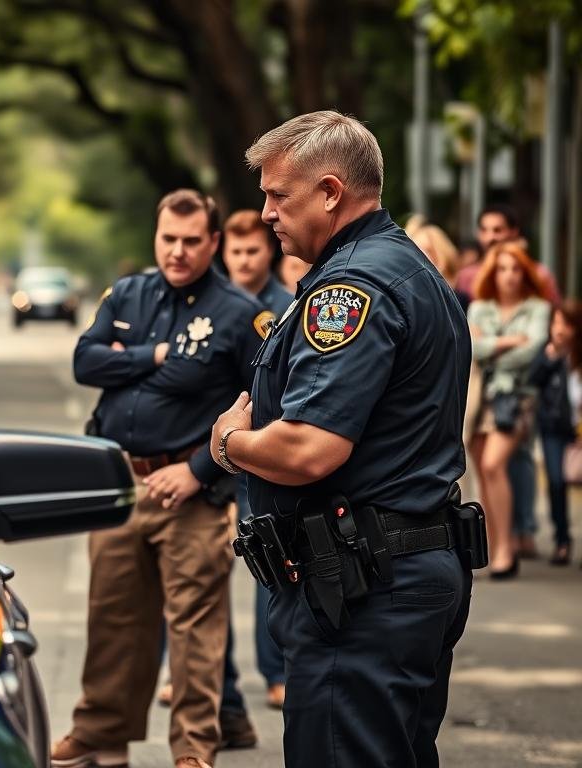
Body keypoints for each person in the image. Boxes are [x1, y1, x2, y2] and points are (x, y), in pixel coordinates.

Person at [212, 110, 475, 768]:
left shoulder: (349, 290)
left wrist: (231, 444)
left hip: (362, 589)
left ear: (331, 191)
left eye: (279, 194)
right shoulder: (406, 269)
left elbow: (310, 449)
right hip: (394, 571)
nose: (266, 212)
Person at [53, 189, 264, 768]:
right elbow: (85, 361)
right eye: (168, 238)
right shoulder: (128, 293)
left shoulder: (240, 314)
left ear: (214, 243)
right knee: (113, 619)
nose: (177, 251)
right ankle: (100, 736)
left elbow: (261, 406)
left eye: (191, 241)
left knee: (195, 633)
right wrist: (151, 356)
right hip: (120, 483)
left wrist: (197, 471)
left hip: (190, 494)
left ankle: (193, 751)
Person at [220, 208, 288, 710]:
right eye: (236, 251)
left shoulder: (286, 308)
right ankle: (211, 679)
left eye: (253, 250)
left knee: (267, 564)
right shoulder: (210, 303)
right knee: (199, 576)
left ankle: (275, 672)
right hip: (209, 450)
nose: (244, 260)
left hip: (258, 451)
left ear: (269, 252)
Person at [466, 242, 550, 577]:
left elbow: (531, 352)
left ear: (525, 272)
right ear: (492, 272)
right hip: (478, 397)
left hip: (516, 397)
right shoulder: (480, 306)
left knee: (493, 463)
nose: (509, 276)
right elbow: (471, 346)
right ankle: (497, 545)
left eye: (516, 269)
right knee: (485, 472)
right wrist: (505, 342)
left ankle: (505, 547)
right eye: (502, 269)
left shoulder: (537, 308)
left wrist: (490, 346)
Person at [529, 301, 582, 565]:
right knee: (556, 481)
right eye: (556, 322)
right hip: (553, 428)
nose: (560, 329)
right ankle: (562, 539)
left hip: (578, 430)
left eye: (566, 324)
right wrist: (551, 356)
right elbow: (533, 378)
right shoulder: (548, 352)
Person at [408, 222, 470, 313]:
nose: (421, 255)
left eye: (428, 250)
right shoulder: (408, 300)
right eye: (416, 250)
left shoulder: (459, 299)